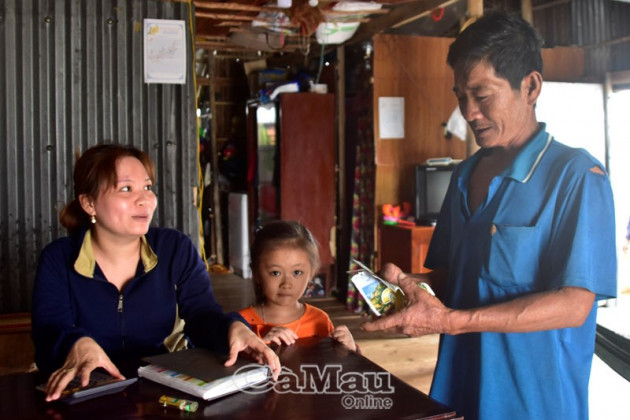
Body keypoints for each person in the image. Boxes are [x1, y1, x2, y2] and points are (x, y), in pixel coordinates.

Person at [363, 12, 617, 420]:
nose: (468, 112)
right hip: (459, 386)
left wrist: (450, 321)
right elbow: (458, 279)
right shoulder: (464, 176)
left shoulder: (576, 177)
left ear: (530, 87)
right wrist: (411, 291)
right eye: (460, 96)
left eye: (482, 95)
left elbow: (574, 304)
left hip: (534, 400)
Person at [31, 144, 280, 401]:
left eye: (147, 187)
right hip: (89, 394)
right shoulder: (59, 259)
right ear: (89, 203)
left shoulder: (174, 248)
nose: (144, 199)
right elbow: (49, 332)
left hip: (162, 392)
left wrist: (232, 328)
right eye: (126, 189)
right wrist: (77, 343)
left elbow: (202, 316)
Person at [239, 221, 357, 351]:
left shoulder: (319, 320)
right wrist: (259, 345)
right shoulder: (240, 323)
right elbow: (228, 367)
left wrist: (349, 350)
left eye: (297, 272)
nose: (287, 284)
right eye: (275, 273)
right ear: (256, 273)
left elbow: (334, 365)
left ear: (311, 273)